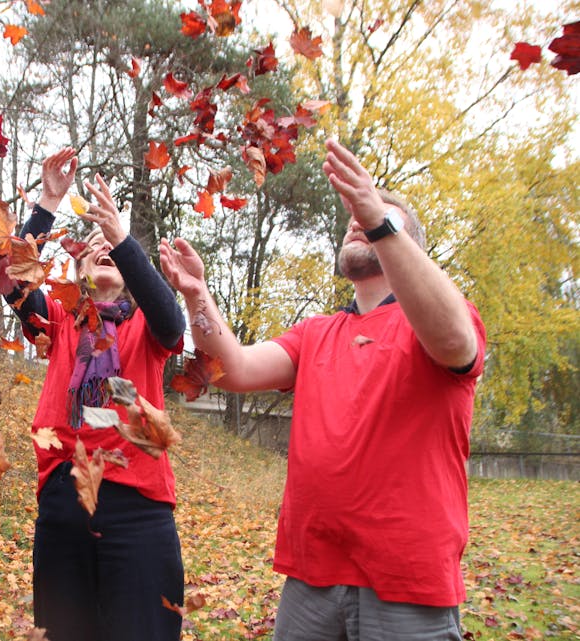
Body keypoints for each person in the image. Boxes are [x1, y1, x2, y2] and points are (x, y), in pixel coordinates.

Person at [159, 137, 487, 640]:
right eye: (355, 218)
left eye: (378, 218)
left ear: (408, 248)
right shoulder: (316, 333)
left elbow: (454, 342)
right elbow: (237, 368)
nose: (359, 220)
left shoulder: (442, 319)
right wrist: (198, 296)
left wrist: (378, 217)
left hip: (407, 581)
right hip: (311, 577)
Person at [4, 148, 187, 641]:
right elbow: (10, 278)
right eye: (92, 246)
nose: (103, 248)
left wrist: (122, 238)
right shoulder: (61, 321)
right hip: (65, 499)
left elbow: (173, 320)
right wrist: (46, 202)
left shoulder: (148, 325)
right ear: (77, 270)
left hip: (138, 503)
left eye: (114, 249)